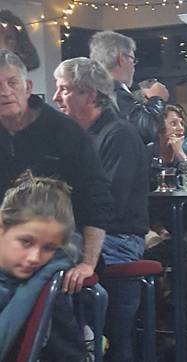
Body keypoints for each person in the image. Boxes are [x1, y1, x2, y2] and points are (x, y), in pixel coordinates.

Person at [52, 57, 150, 362]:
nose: (55, 97)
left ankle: (83, 342)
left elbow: (107, 206)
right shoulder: (77, 138)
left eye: (64, 89)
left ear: (90, 95)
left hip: (118, 238)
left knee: (50, 267)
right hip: (91, 234)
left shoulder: (119, 134)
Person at [0, 51, 113, 296]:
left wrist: (88, 264)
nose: (5, 92)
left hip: (60, 238)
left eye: (12, 83)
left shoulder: (64, 131)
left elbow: (96, 199)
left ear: (28, 88)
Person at [0, 171, 78, 360]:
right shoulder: (49, 270)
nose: (35, 258)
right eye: (26, 242)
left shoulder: (53, 282)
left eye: (49, 248)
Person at [89, 31, 168, 144]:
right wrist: (157, 99)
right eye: (133, 60)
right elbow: (147, 131)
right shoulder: (114, 91)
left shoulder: (92, 90)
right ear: (121, 59)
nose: (134, 67)